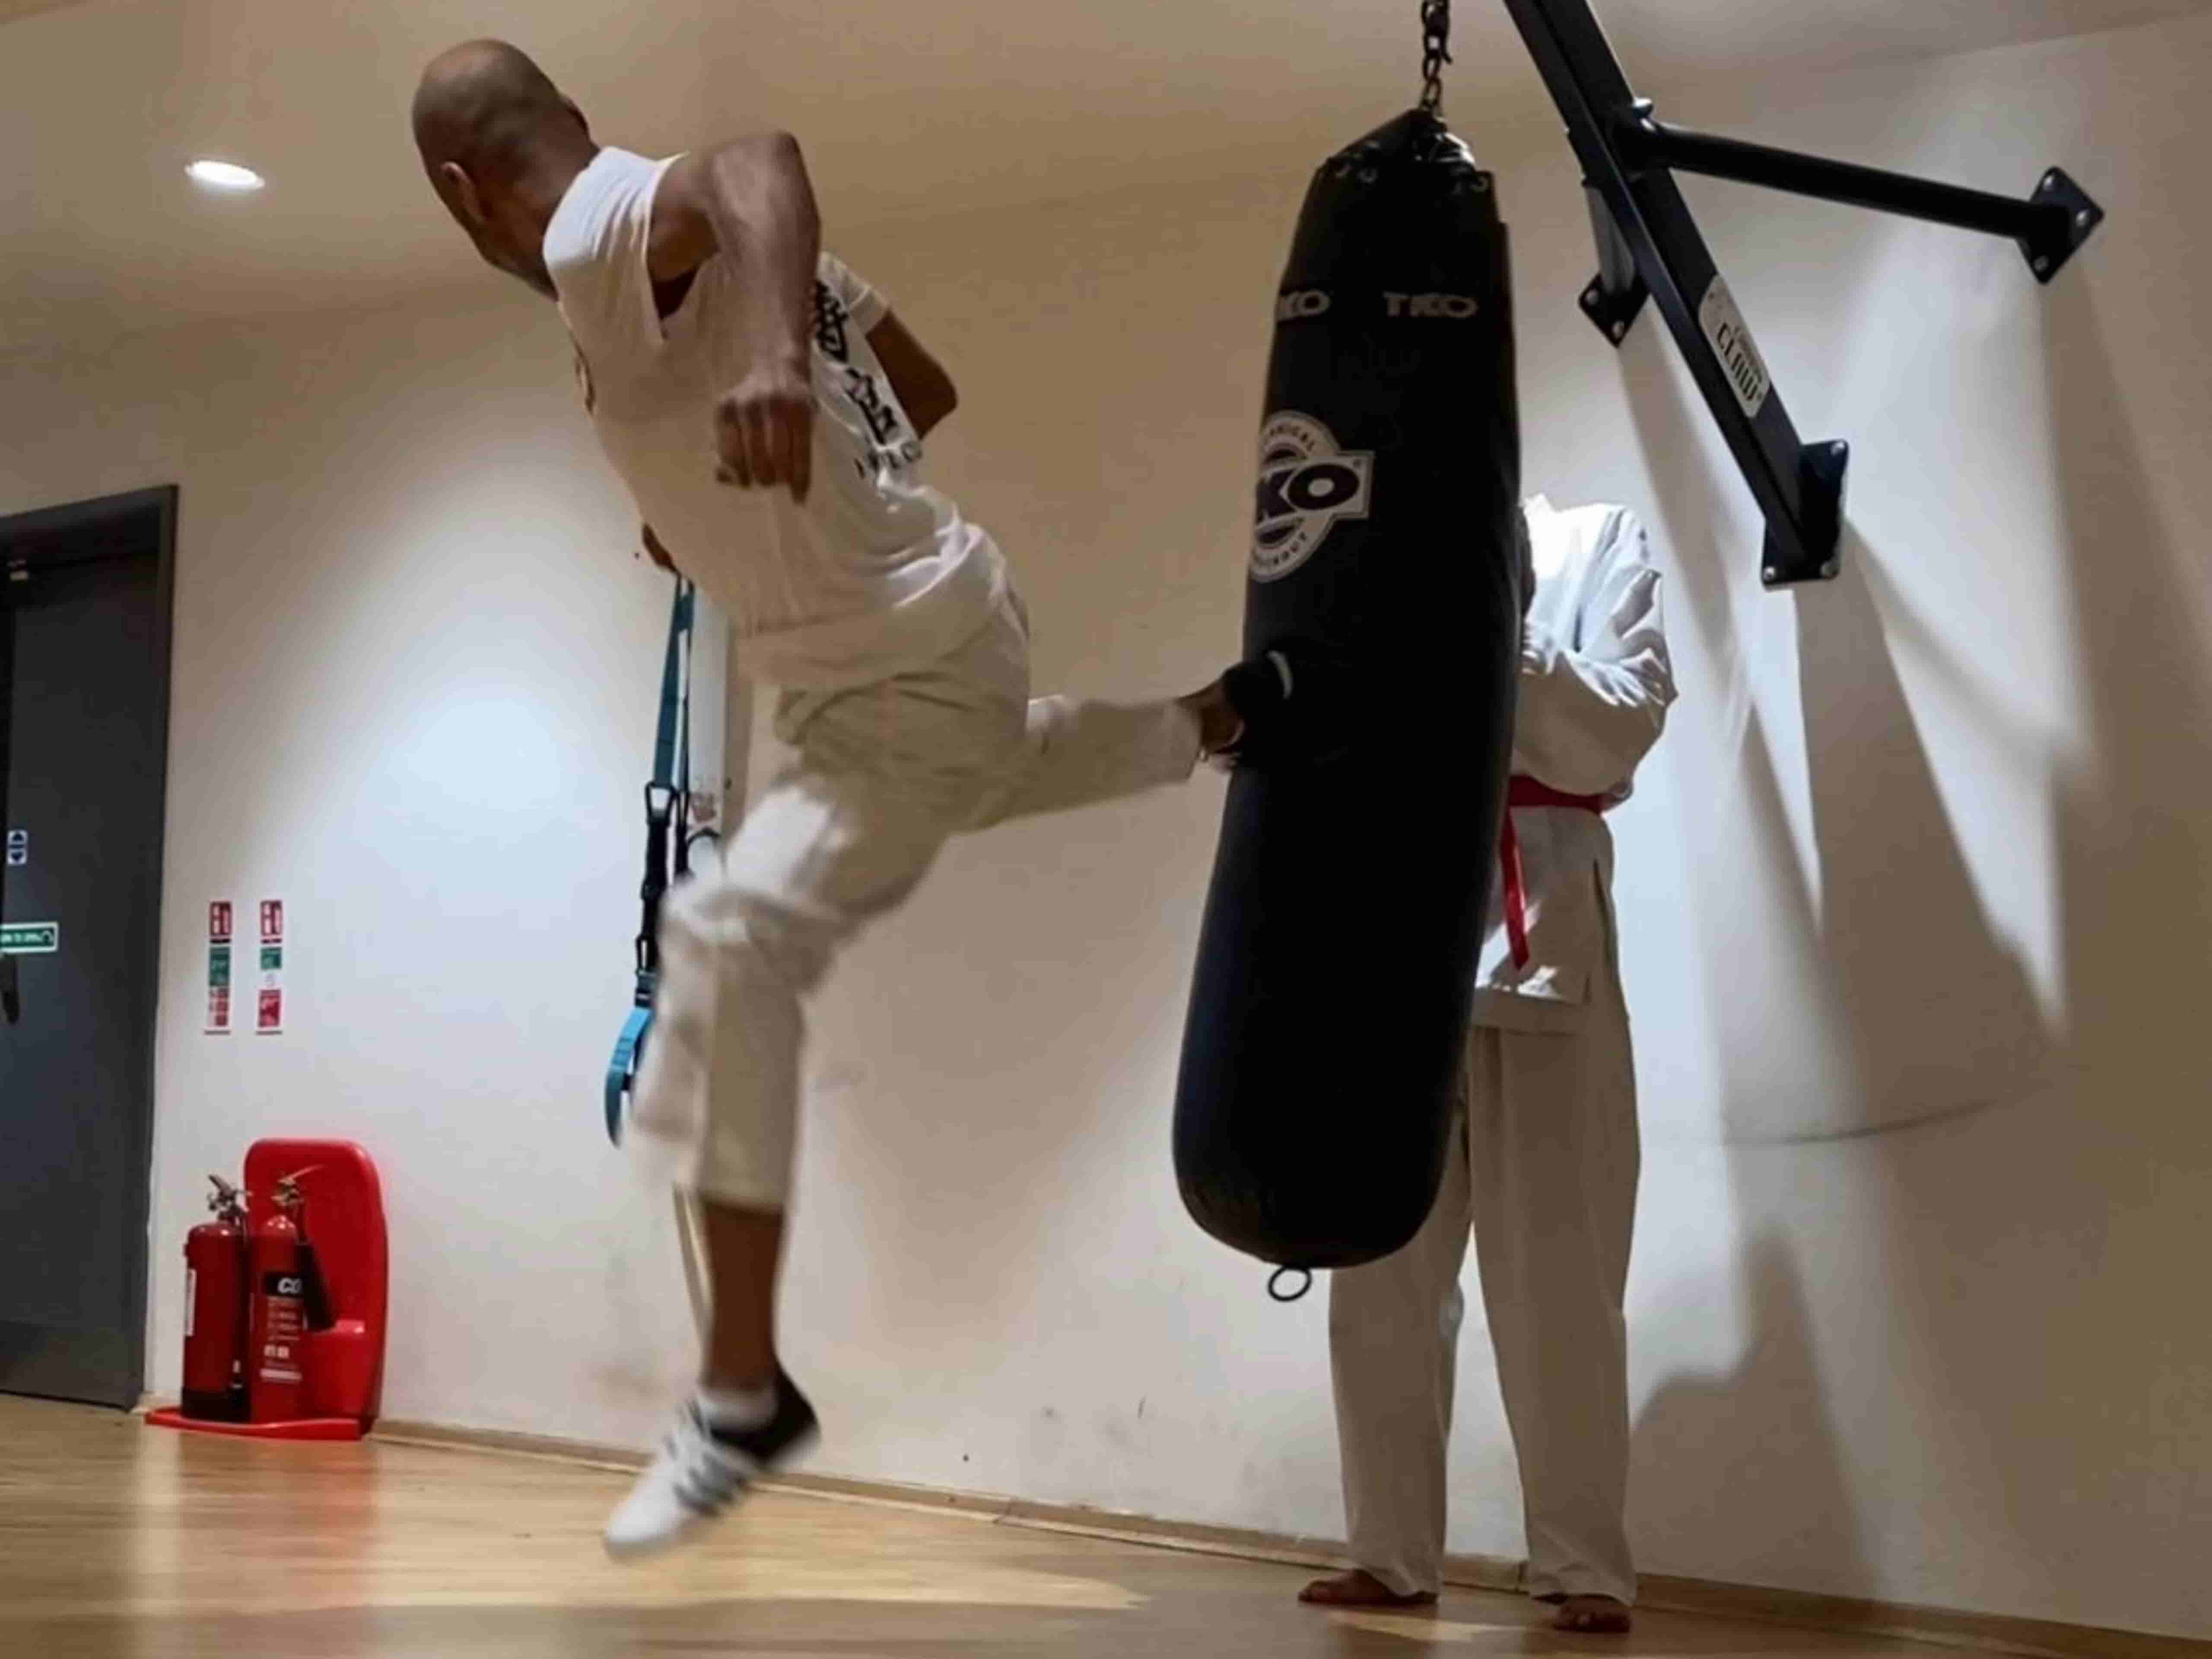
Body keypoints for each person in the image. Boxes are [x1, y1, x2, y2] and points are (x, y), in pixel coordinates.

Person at [410, 40, 1247, 1557]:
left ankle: (742, 1396)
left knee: (731, 958)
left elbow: (757, 160)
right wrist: (763, 500)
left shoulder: (597, 229)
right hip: (928, 646)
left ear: (464, 193)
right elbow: (921, 386)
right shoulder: (681, 266)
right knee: (970, 777)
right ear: (574, 118)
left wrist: (777, 372)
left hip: (898, 667)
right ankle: (1216, 720)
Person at [1297, 496, 1675, 1636]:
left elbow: (1620, 723)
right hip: (1392, 942)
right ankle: (1390, 1554)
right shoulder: (1374, 533)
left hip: (1543, 933)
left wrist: (1485, 633)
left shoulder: (1597, 535)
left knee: (1557, 1276)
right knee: (1381, 1278)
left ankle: (1581, 1567)